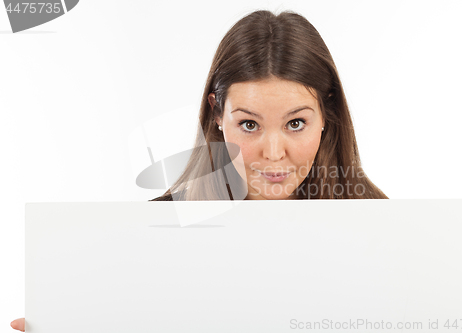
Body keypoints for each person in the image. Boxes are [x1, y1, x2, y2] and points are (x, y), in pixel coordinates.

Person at [10, 8, 387, 332]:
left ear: (327, 115)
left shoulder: (384, 229)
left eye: (295, 124)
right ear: (217, 115)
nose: (274, 153)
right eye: (250, 125)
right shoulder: (143, 238)